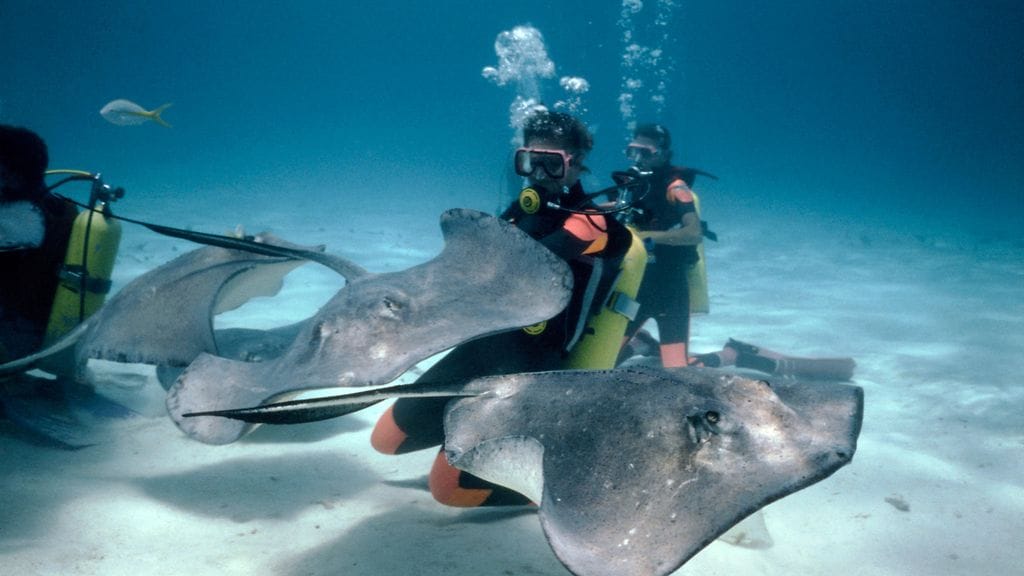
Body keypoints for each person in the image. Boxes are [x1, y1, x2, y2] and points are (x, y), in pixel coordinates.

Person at [371, 109, 636, 506]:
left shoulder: (595, 222)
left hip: (528, 364)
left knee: (448, 489)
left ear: (577, 163)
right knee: (385, 441)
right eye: (530, 161)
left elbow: (527, 265)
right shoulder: (520, 211)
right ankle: (470, 436)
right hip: (483, 348)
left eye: (552, 163)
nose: (538, 174)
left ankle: (545, 493)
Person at [614, 123, 706, 368]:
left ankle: (731, 355)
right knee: (603, 361)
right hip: (635, 285)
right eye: (633, 151)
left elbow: (694, 233)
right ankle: (639, 345)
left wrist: (646, 237)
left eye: (646, 153)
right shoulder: (631, 184)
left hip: (670, 287)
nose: (638, 159)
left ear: (664, 155)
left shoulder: (676, 186)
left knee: (677, 372)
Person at [0, 125, 78, 361]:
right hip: (35, 330)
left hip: (16, 337)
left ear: (9, 174)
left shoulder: (21, 218)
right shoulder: (58, 206)